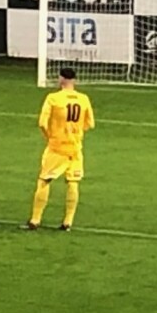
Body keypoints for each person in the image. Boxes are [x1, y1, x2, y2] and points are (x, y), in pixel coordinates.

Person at [24, 67, 94, 232]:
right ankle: (67, 222)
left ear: (61, 79)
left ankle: (35, 220)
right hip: (75, 148)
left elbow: (42, 122)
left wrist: (50, 136)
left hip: (57, 147)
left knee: (44, 180)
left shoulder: (53, 98)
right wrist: (76, 132)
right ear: (74, 80)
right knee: (73, 182)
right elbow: (90, 124)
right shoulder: (83, 99)